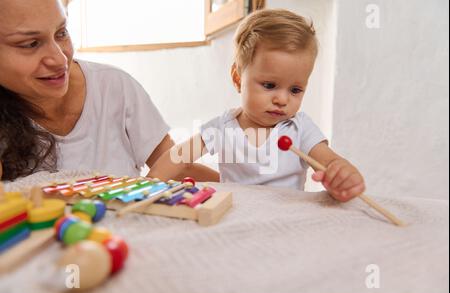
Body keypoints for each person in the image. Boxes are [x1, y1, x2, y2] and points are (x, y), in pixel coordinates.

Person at [149, 9, 365, 202]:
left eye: (295, 90)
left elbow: (331, 161)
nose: (282, 99)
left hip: (285, 221)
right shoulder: (223, 127)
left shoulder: (300, 129)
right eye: (270, 85)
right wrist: (147, 184)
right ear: (237, 79)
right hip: (234, 217)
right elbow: (178, 157)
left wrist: (343, 176)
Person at [0, 0, 218, 182]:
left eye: (61, 33)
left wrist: (248, 189)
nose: (60, 59)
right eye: (30, 44)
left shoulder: (114, 86)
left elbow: (178, 167)